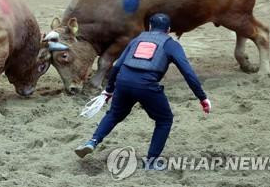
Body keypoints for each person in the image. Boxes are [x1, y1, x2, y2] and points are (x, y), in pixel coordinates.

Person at [74, 13, 211, 168]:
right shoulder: (171, 44)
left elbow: (117, 66)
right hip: (147, 85)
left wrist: (109, 90)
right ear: (168, 30)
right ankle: (151, 161)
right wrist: (202, 97)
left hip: (123, 82)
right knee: (164, 120)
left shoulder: (136, 40)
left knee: (114, 114)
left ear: (150, 27)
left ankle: (93, 141)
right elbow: (188, 72)